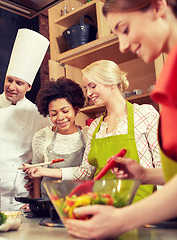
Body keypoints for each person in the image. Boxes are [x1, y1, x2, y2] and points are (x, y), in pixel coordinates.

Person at [65, 0, 177, 238]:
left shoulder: (146, 112)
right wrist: (145, 175)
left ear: (158, 7)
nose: (123, 46)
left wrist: (120, 219)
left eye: (125, 29)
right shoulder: (170, 78)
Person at [31, 60, 161, 203]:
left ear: (111, 83)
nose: (89, 93)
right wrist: (43, 171)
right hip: (103, 204)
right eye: (86, 88)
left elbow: (162, 165)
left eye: (92, 86)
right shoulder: (96, 127)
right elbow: (86, 172)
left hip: (140, 204)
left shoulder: (144, 114)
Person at [0, 28, 51, 210]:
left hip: (21, 193)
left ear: (29, 86)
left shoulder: (39, 114)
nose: (12, 86)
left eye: (19, 83)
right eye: (9, 80)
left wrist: (36, 185)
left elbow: (45, 157)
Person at [23, 77, 86, 198]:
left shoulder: (88, 134)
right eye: (53, 114)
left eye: (65, 111)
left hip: (81, 201)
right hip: (49, 202)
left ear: (76, 109)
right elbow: (37, 175)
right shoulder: (42, 136)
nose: (60, 117)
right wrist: (37, 202)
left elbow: (88, 172)